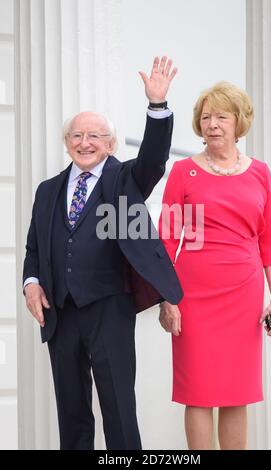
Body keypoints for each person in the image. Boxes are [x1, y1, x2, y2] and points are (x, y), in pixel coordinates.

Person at [23, 56, 183, 450]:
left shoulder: (125, 179)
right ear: (67, 143)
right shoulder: (47, 190)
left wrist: (157, 107)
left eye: (95, 136)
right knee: (72, 413)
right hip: (61, 313)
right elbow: (33, 248)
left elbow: (154, 158)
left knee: (118, 410)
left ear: (110, 144)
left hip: (109, 308)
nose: (85, 143)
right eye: (77, 136)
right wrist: (30, 283)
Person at [158, 81, 271, 450]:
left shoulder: (260, 172)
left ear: (238, 122)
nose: (212, 124)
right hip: (192, 295)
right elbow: (165, 240)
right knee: (196, 391)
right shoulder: (182, 171)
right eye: (206, 117)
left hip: (244, 295)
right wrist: (167, 298)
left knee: (236, 391)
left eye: (221, 117)